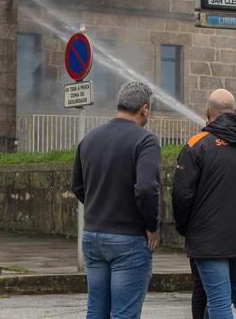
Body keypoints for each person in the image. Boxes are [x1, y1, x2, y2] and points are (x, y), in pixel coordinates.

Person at [173, 88, 236, 319]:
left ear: (207, 112)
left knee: (218, 301)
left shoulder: (197, 145)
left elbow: (182, 195)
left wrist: (185, 228)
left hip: (208, 241)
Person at [72, 81, 161, 319]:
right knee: (124, 314)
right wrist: (151, 226)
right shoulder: (145, 141)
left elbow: (78, 187)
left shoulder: (89, 139)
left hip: (92, 236)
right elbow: (146, 188)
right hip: (129, 239)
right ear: (144, 108)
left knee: (96, 312)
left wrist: (99, 206)